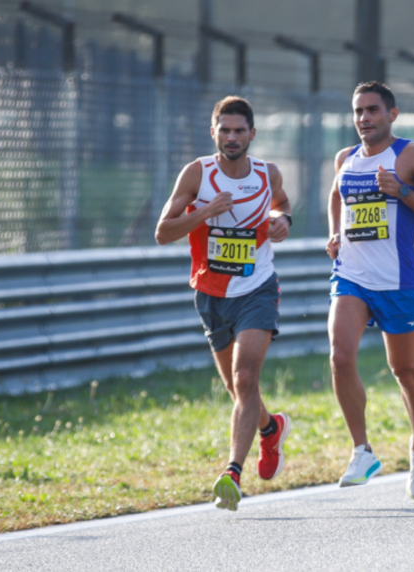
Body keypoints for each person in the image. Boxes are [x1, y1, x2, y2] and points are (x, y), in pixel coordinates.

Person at [154, 96, 293, 512]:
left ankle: (233, 471)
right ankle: (271, 428)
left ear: (252, 134)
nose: (232, 137)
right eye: (224, 130)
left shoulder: (268, 174)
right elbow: (163, 232)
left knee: (246, 378)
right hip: (211, 293)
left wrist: (284, 220)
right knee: (236, 388)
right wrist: (207, 212)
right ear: (212, 132)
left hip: (257, 287)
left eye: (239, 130)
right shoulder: (198, 173)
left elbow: (282, 204)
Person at [325, 82, 414, 500]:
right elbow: (335, 197)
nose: (364, 118)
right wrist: (334, 234)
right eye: (358, 110)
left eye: (373, 110)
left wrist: (403, 192)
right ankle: (362, 450)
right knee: (340, 356)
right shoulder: (345, 158)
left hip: (397, 281)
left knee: (405, 373)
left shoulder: (411, 155)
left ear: (392, 114)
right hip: (352, 277)